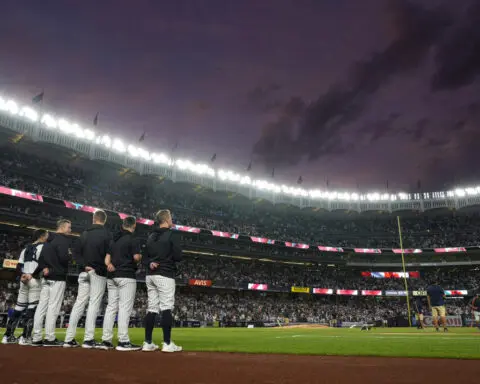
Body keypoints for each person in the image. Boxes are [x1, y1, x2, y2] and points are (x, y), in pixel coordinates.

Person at [64, 210, 111, 348]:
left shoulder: (84, 233)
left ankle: (68, 339)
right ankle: (88, 339)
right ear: (104, 220)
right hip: (98, 272)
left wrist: (84, 265)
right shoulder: (107, 234)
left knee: (79, 303)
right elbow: (109, 254)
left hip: (83, 272)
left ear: (93, 219)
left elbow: (75, 252)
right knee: (94, 304)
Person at [98, 216, 142, 351]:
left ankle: (106, 340)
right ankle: (123, 341)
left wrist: (110, 265)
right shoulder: (133, 239)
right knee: (124, 308)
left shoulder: (114, 239)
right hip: (126, 275)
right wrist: (140, 258)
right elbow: (136, 257)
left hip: (112, 276)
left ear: (123, 225)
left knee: (111, 307)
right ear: (133, 226)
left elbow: (106, 259)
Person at [142, 209, 182, 352]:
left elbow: (144, 257)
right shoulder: (172, 234)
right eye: (170, 217)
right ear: (166, 219)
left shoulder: (151, 236)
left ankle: (147, 342)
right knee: (166, 307)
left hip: (150, 275)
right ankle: (167, 343)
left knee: (152, 307)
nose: (172, 220)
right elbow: (178, 256)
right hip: (165, 274)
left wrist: (150, 263)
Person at [2, 229, 49, 345]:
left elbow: (19, 266)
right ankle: (25, 336)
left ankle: (7, 336)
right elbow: (42, 264)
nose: (48, 238)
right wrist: (32, 275)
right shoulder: (44, 247)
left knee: (18, 308)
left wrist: (22, 275)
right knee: (32, 309)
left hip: (24, 280)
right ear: (42, 236)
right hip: (35, 279)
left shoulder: (26, 248)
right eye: (47, 236)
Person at [32, 219, 72, 346]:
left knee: (41, 307)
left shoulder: (48, 241)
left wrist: (44, 268)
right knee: (53, 308)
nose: (70, 230)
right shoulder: (63, 240)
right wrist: (70, 256)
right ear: (63, 227)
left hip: (46, 278)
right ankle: (50, 338)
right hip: (58, 277)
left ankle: (36, 337)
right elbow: (63, 258)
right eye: (69, 227)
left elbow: (41, 259)